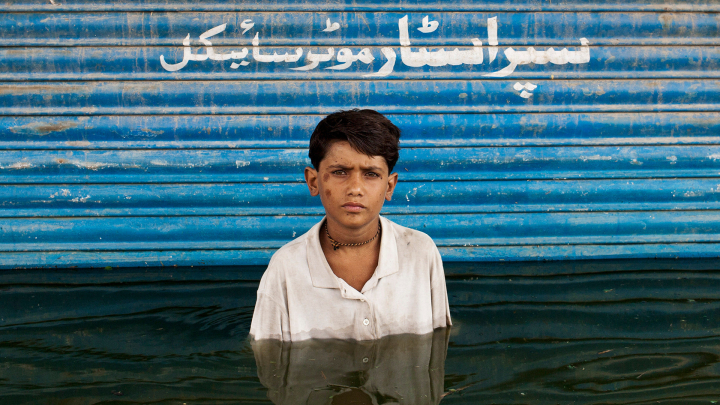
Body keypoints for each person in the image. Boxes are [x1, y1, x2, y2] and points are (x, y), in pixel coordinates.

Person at [249, 109, 451, 341]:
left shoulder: (419, 252)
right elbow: (269, 360)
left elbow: (437, 348)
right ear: (313, 181)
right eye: (340, 172)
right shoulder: (286, 268)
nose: (355, 188)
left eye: (371, 174)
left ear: (389, 186)